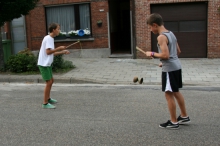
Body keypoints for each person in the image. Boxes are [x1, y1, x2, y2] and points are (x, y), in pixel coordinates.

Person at [146, 13, 190, 129]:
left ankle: (173, 122)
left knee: (168, 94)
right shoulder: (171, 34)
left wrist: (152, 54)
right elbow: (178, 51)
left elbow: (165, 55)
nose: (151, 30)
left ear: (155, 25)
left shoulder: (161, 37)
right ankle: (184, 115)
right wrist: (163, 62)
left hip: (170, 70)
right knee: (176, 91)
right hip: (176, 66)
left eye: (150, 27)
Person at [38, 23, 70, 109]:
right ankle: (45, 103)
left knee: (51, 81)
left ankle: (48, 99)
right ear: (53, 30)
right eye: (58, 29)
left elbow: (53, 52)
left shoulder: (51, 38)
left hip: (47, 63)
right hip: (43, 64)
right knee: (49, 82)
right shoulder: (48, 38)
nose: (59, 30)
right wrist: (59, 48)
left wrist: (63, 52)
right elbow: (48, 52)